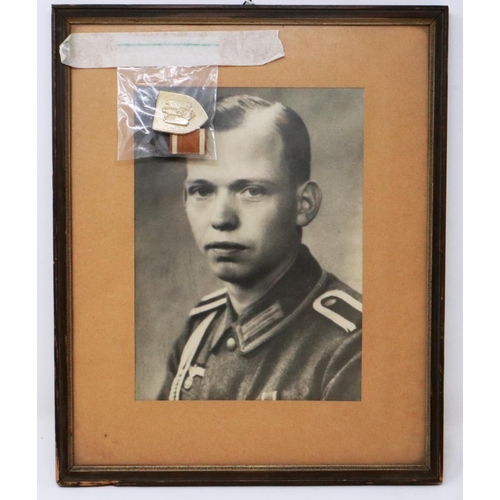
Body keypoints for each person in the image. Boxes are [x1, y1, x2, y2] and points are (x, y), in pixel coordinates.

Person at [158, 95, 362, 401]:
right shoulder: (198, 330)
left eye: (251, 190)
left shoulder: (353, 343)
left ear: (304, 205)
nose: (221, 219)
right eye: (202, 191)